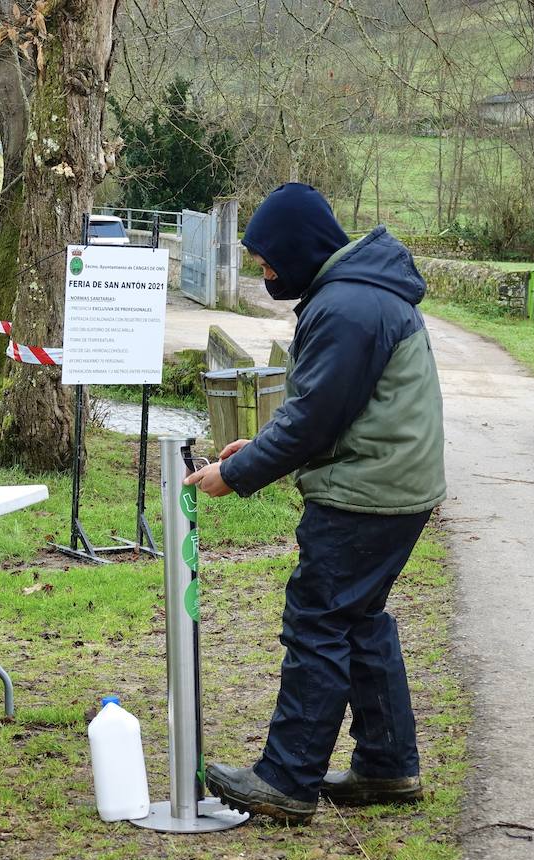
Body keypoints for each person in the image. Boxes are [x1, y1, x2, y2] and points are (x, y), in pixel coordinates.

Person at [184, 183, 446, 825]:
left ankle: (288, 778)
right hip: (396, 486)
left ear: (299, 249)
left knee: (319, 621)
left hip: (366, 492)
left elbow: (314, 421)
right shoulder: (356, 293)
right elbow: (325, 408)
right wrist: (259, 444)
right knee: (358, 619)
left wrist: (237, 472)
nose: (265, 274)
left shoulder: (347, 305)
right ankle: (387, 766)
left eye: (269, 261)